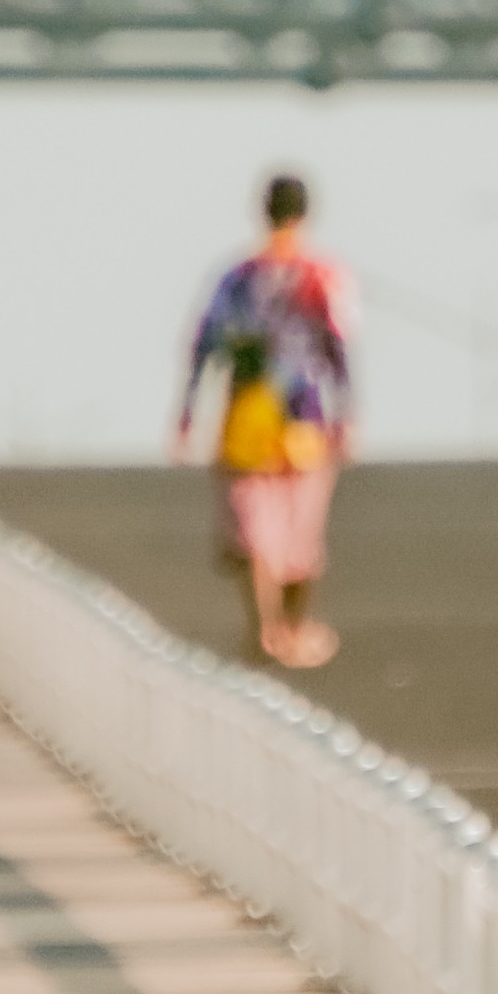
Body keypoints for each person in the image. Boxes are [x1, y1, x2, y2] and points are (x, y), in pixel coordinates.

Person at [176, 171, 356, 670]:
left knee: (255, 530)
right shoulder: (322, 276)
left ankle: (264, 630)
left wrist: (187, 413)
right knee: (301, 530)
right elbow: (339, 347)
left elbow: (204, 344)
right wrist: (347, 416)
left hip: (247, 415)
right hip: (306, 416)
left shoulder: (238, 279)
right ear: (304, 214)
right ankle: (292, 630)